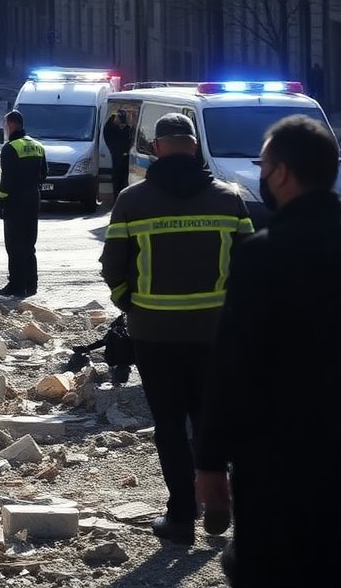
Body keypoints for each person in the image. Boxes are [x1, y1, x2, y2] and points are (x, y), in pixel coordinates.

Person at [196, 116, 340, 583]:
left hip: (280, 456)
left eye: (262, 165)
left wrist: (210, 462)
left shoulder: (264, 254)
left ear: (280, 173)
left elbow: (232, 364)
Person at [99, 112, 252, 544]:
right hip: (214, 332)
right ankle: (219, 496)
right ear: (195, 146)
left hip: (154, 332)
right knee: (211, 419)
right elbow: (251, 265)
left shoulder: (132, 200)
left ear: (157, 148)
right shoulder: (229, 198)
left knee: (168, 424)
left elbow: (112, 266)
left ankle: (181, 516)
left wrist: (129, 303)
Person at [0, 110, 46, 297]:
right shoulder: (38, 146)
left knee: (14, 245)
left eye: (5, 124)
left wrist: (0, 202)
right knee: (29, 244)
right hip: (33, 200)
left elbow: (6, 179)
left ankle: (16, 286)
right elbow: (44, 175)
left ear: (11, 125)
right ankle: (31, 286)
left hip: (15, 202)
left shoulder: (10, 148)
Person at [103, 110, 134, 197]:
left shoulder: (117, 128)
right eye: (119, 118)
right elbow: (122, 136)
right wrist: (128, 126)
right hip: (117, 158)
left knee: (124, 182)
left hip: (124, 158)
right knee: (118, 182)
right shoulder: (111, 129)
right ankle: (118, 199)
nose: (119, 121)